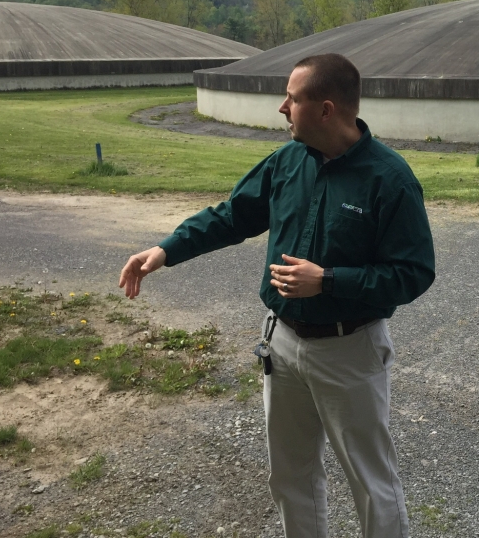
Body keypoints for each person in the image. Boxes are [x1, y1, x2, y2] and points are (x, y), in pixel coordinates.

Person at [119, 53, 435, 538]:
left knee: (371, 483)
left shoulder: (389, 179)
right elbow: (231, 216)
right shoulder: (287, 162)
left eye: (293, 97)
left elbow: (412, 274)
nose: (282, 107)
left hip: (350, 350)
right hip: (282, 344)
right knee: (291, 476)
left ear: (326, 109)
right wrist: (165, 250)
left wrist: (328, 280)